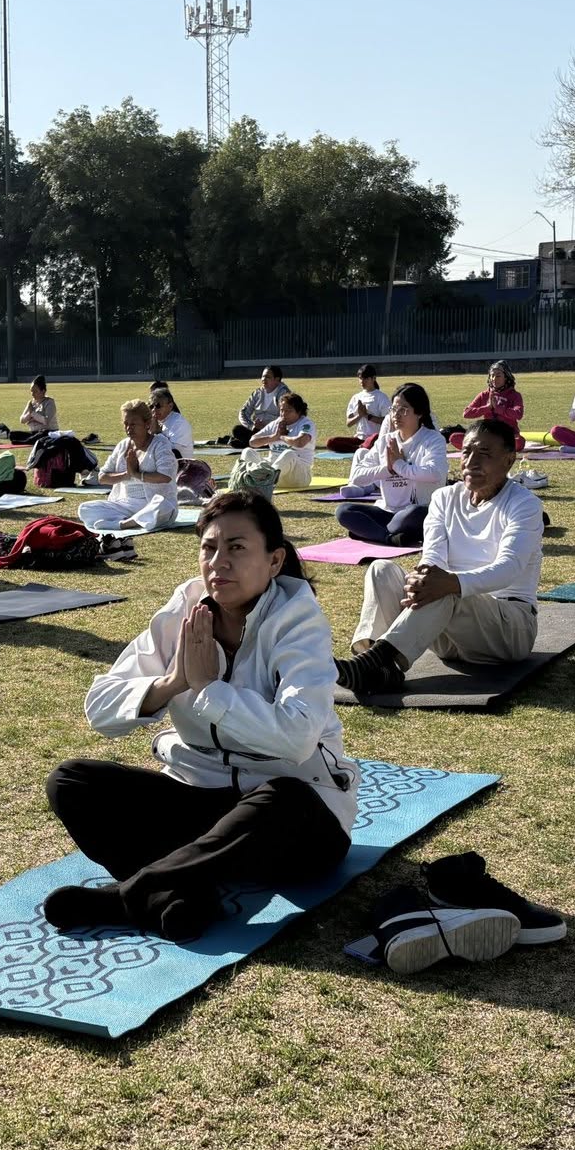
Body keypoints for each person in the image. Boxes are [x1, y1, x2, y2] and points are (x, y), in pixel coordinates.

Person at [41, 490, 358, 942]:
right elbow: (101, 709)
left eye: (237, 547)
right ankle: (180, 896)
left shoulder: (298, 620)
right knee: (72, 781)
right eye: (209, 548)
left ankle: (134, 893)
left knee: (286, 798)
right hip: (200, 801)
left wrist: (210, 690)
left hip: (290, 827)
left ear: (274, 561)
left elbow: (297, 738)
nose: (218, 562)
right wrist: (173, 682)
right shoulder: (186, 609)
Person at [338, 418, 544, 696]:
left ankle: (375, 661)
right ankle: (375, 662)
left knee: (446, 588)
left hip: (509, 630)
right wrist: (423, 577)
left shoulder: (524, 504)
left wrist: (450, 583)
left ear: (509, 460)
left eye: (484, 453)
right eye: (467, 452)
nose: (471, 462)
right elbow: (432, 555)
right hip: (445, 632)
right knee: (381, 569)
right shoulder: (444, 498)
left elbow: (509, 568)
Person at [337, 383, 448, 544]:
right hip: (388, 512)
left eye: (404, 410)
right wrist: (388, 469)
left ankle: (372, 532)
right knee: (344, 511)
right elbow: (356, 477)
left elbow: (434, 473)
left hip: (416, 512)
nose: (396, 415)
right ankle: (390, 537)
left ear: (419, 412)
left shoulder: (433, 439)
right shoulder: (386, 440)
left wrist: (398, 465)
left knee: (414, 512)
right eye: (394, 409)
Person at [79, 399, 180, 534]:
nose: (128, 428)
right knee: (85, 509)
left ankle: (124, 524)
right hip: (126, 504)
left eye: (133, 424)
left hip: (153, 502)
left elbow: (166, 477)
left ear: (147, 424)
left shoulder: (160, 444)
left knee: (164, 506)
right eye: (126, 424)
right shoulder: (123, 446)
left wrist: (137, 474)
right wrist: (126, 474)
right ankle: (135, 519)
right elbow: (102, 478)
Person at [248, 391, 317, 490]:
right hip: (276, 474)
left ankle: (265, 481)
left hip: (297, 477)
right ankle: (256, 479)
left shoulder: (306, 424)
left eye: (288, 411)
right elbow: (252, 442)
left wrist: (282, 437)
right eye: (281, 410)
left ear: (298, 411)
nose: (284, 414)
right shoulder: (276, 423)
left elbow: (300, 442)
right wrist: (274, 437)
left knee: (289, 454)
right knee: (248, 452)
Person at [231, 366, 291, 447]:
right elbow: (243, 412)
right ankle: (257, 443)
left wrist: (267, 427)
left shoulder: (285, 395)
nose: (263, 379)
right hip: (257, 431)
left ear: (277, 379)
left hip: (274, 432)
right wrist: (251, 426)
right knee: (237, 430)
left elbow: (287, 416)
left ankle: (253, 443)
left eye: (267, 377)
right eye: (263, 376)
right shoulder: (257, 393)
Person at [462, 361, 524, 437]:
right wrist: (487, 408)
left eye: (498, 376)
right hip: (490, 435)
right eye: (492, 375)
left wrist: (498, 408)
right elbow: (466, 413)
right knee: (456, 437)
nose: (494, 379)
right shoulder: (484, 395)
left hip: (509, 435)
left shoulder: (515, 395)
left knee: (519, 441)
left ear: (506, 377)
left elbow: (518, 414)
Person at [347, 364, 390, 442]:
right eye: (360, 378)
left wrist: (367, 416)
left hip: (375, 438)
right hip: (359, 437)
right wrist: (359, 415)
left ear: (374, 378)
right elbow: (349, 423)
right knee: (332, 442)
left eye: (366, 379)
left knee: (369, 442)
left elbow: (387, 421)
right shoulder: (356, 397)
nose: (362, 381)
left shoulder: (381, 397)